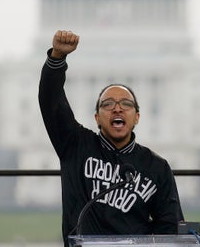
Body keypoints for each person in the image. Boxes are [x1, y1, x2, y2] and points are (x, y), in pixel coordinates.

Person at [39, 30, 184, 244]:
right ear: (97, 117)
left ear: (137, 117)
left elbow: (170, 228)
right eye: (108, 105)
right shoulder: (76, 145)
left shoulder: (157, 167)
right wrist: (57, 58)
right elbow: (52, 101)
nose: (117, 109)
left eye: (126, 104)